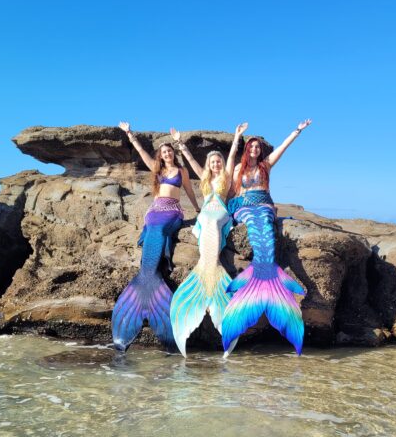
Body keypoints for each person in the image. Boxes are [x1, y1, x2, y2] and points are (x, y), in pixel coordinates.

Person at [221, 120, 312, 355]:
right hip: (244, 207)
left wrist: (297, 131)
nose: (254, 150)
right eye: (250, 147)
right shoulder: (239, 170)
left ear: (260, 151)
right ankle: (260, 283)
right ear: (246, 149)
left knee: (266, 232)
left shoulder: (265, 166)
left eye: (257, 148)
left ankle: (265, 278)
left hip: (264, 206)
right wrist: (236, 136)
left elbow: (283, 147)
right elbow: (230, 172)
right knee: (253, 226)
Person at [111, 122, 200, 352]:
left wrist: (198, 209)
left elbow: (189, 191)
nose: (167, 154)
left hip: (173, 211)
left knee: (160, 230)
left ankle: (151, 279)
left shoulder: (181, 172)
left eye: (169, 151)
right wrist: (130, 134)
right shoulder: (157, 170)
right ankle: (145, 281)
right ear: (160, 156)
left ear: (173, 153)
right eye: (163, 152)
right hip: (155, 210)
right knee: (150, 227)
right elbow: (141, 153)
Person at [168, 123, 247, 357]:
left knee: (212, 222)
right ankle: (205, 272)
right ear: (209, 165)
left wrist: (237, 137)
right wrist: (180, 143)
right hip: (205, 212)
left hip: (220, 212)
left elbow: (232, 156)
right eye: (212, 162)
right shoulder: (203, 177)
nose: (216, 164)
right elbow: (191, 161)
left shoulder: (225, 175)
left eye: (218, 162)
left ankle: (212, 270)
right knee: (204, 222)